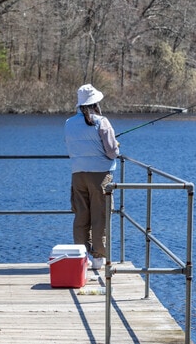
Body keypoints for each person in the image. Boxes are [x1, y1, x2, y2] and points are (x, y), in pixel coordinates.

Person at [64, 84, 120, 270]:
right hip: (100, 176)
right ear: (96, 103)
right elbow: (112, 152)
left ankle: (81, 256)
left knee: (81, 216)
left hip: (78, 175)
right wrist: (116, 145)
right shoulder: (102, 122)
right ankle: (98, 258)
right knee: (100, 216)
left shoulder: (69, 123)